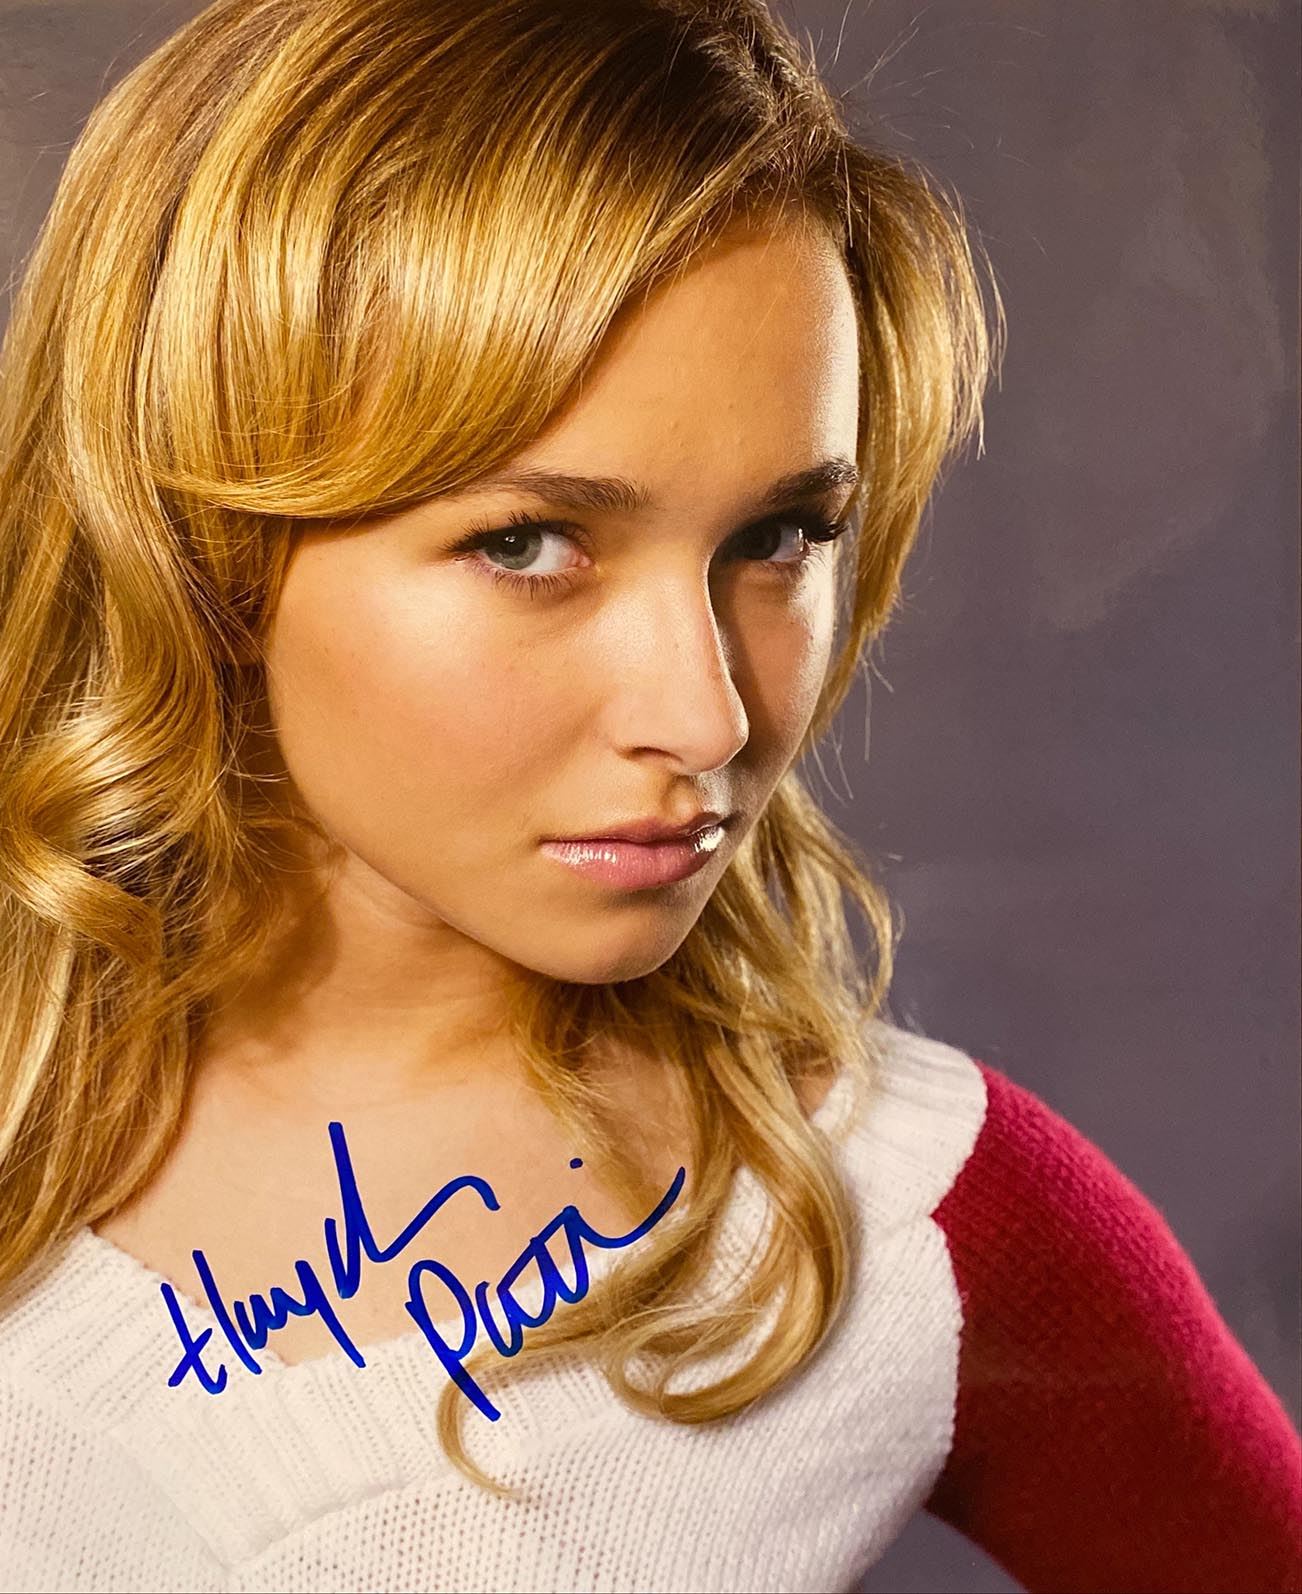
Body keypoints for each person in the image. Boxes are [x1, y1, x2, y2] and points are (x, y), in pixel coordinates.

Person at [0, 1, 1297, 1591]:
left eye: (779, 538)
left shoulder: (908, 1218)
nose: (707, 714)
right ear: (198, 539)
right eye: (528, 542)